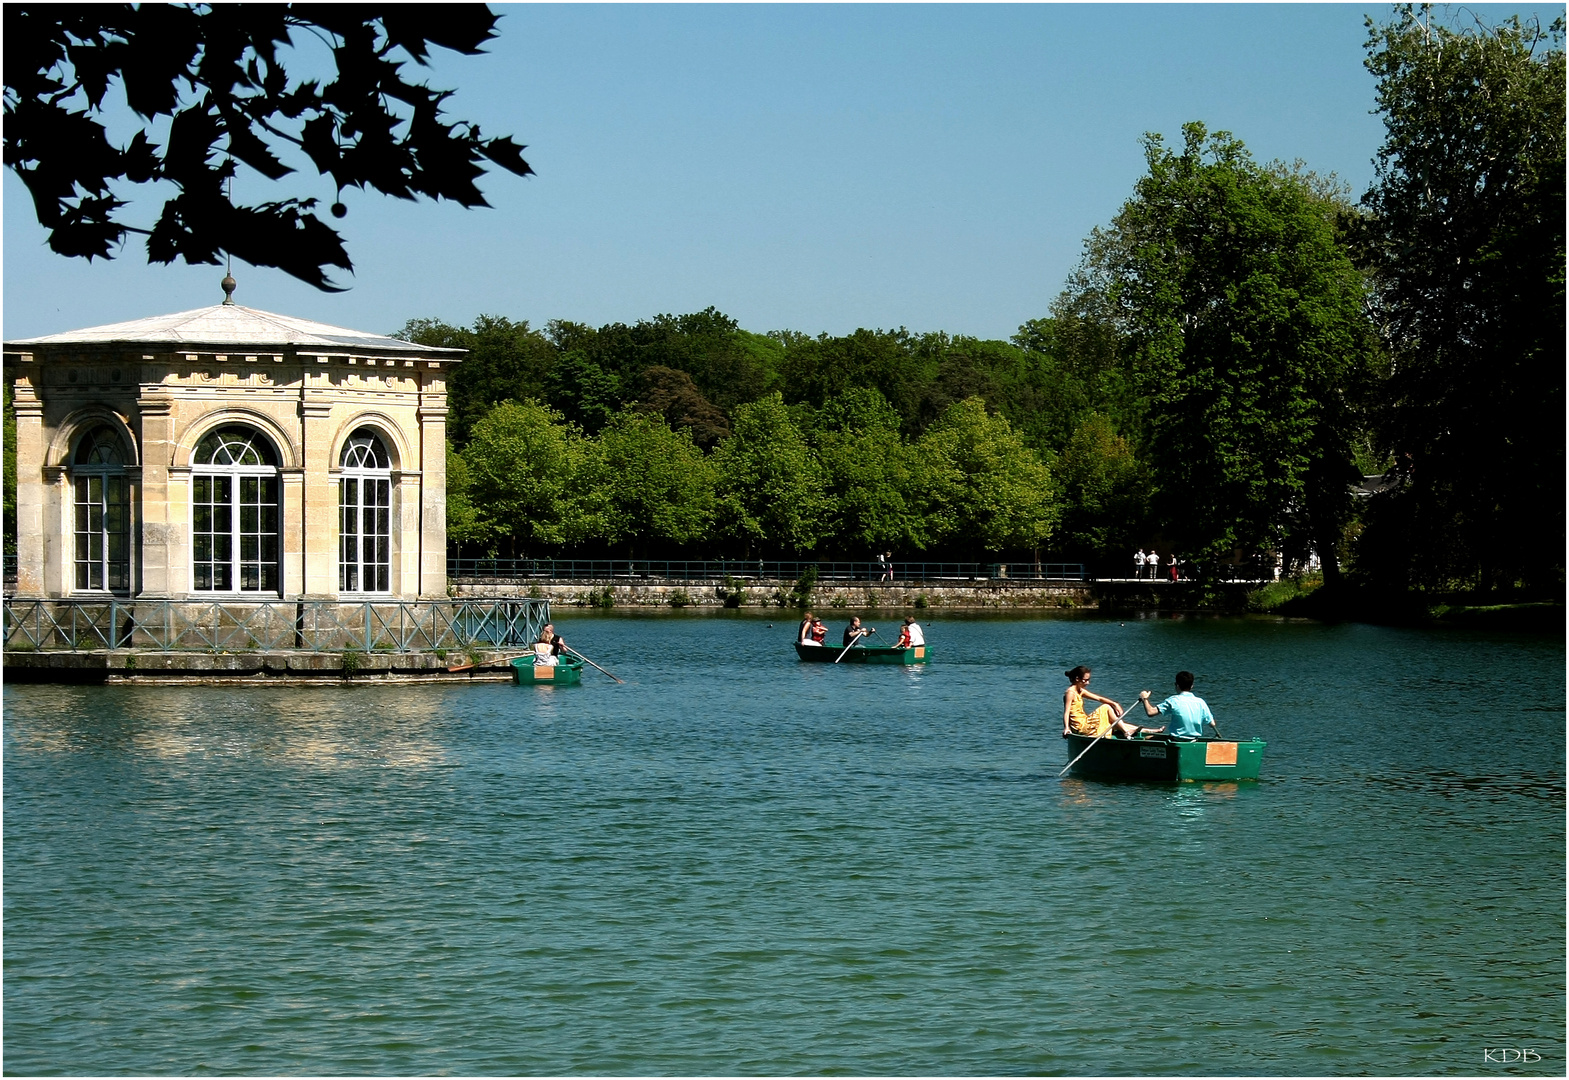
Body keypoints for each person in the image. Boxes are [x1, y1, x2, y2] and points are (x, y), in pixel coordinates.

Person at [1063, 665, 1160, 740]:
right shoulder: (1070, 693)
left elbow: (1099, 698)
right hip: (1081, 726)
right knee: (1106, 707)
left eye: (1089, 680)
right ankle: (1127, 732)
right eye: (1085, 680)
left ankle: (1147, 730)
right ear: (1077, 679)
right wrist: (1067, 728)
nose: (1088, 683)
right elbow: (1066, 712)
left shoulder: (1080, 690)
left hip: (1085, 721)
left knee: (1113, 722)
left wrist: (1114, 704)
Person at [1135, 671, 1217, 738]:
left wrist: (1144, 699)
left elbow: (1150, 712)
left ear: (1177, 685)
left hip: (1176, 740)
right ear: (1192, 686)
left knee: (1147, 738)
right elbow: (1212, 724)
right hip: (1194, 740)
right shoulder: (1201, 702)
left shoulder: (1173, 701)